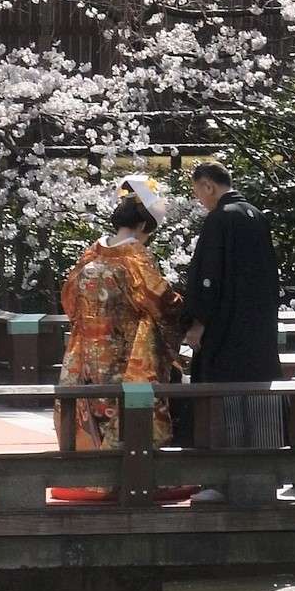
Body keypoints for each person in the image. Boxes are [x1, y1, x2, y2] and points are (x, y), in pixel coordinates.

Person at [181, 158, 283, 503]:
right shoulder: (257, 216)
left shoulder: (220, 220)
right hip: (260, 327)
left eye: (199, 192)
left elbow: (208, 279)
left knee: (223, 396)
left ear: (208, 185)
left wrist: (197, 322)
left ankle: (224, 480)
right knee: (259, 393)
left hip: (226, 328)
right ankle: (267, 476)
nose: (200, 200)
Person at [59, 173, 182, 453]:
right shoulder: (135, 257)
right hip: (127, 350)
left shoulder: (90, 255)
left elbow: (68, 299)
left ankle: (90, 475)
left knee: (95, 405)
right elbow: (162, 302)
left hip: (87, 349)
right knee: (127, 408)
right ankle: (131, 476)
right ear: (141, 225)